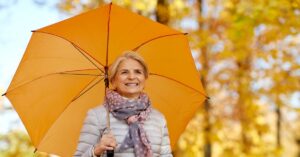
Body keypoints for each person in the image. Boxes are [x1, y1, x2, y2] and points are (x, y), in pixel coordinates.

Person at [74, 51, 173, 157]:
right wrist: (97, 150)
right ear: (113, 80)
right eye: (124, 72)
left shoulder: (158, 118)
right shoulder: (98, 115)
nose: (131, 77)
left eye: (138, 72)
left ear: (145, 78)